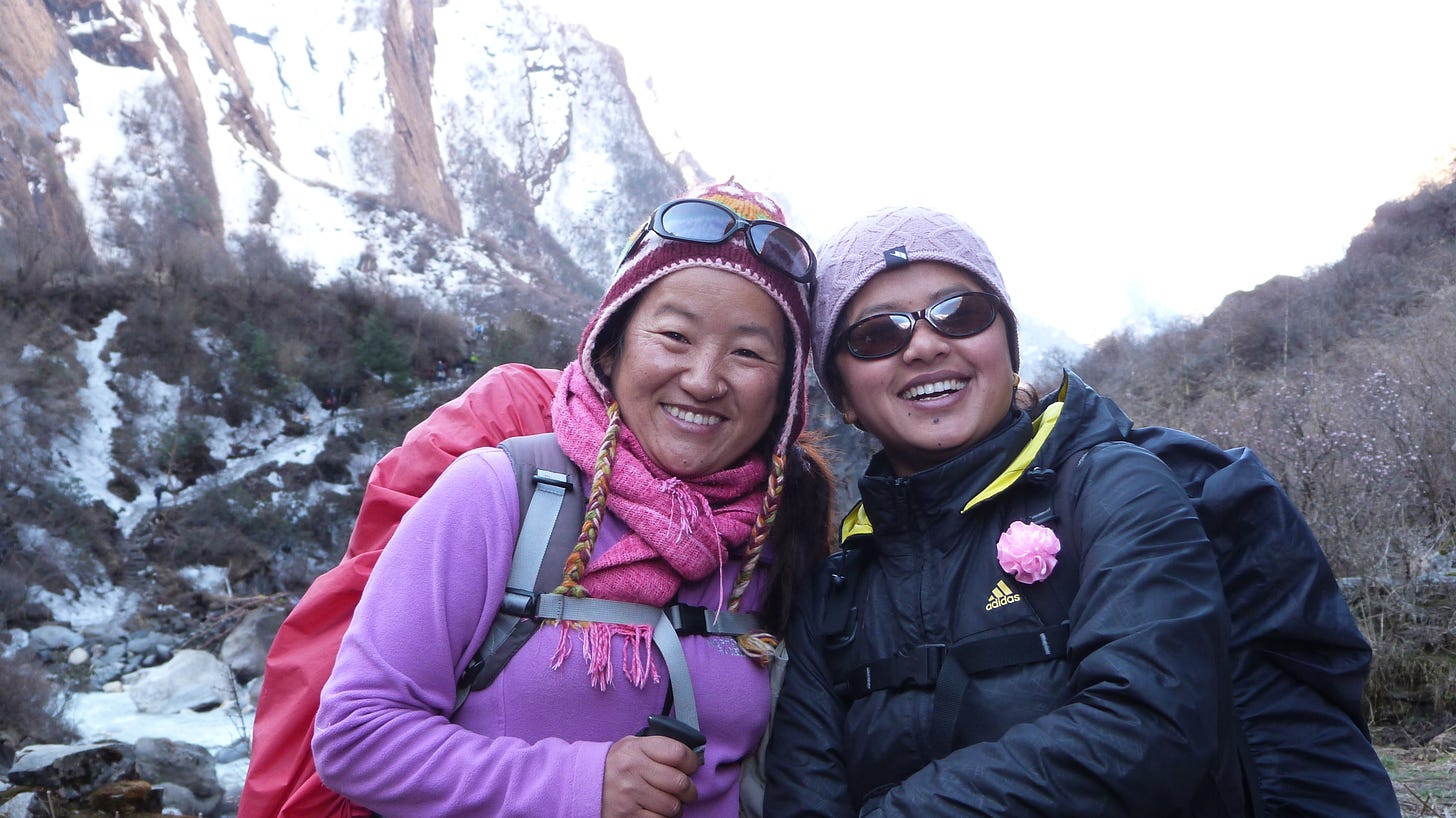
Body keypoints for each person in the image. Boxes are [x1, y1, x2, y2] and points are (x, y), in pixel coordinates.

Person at [311, 180, 833, 817]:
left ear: (785, 393)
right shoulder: (501, 495)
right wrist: (582, 786)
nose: (703, 380)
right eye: (675, 336)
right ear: (610, 346)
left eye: (748, 352)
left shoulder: (781, 540)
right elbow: (356, 735)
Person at [763, 206, 1251, 816]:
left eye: (960, 313)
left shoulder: (1114, 492)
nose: (925, 345)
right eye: (878, 335)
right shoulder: (833, 598)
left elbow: (1152, 727)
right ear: (842, 397)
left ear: (1008, 346)